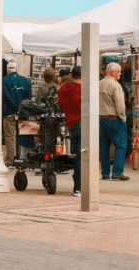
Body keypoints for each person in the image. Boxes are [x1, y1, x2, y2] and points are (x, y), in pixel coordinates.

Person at [99, 62, 129, 181]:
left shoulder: (99, 84)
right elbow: (120, 105)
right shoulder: (116, 86)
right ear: (113, 72)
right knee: (121, 145)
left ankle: (105, 172)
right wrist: (123, 117)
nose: (120, 74)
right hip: (114, 118)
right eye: (118, 72)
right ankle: (117, 171)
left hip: (101, 118)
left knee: (104, 146)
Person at [57, 66, 82, 196]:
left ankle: (78, 186)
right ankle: (79, 186)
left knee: (78, 154)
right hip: (84, 124)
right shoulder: (84, 89)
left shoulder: (65, 87)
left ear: (72, 76)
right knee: (84, 156)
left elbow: (60, 103)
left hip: (71, 124)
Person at [2, 62, 33, 165]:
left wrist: (14, 106)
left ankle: (10, 159)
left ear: (7, 70)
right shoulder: (25, 81)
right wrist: (21, 107)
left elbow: (5, 96)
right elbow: (29, 97)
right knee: (22, 134)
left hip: (9, 113)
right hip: (22, 113)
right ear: (16, 69)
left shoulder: (4, 80)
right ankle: (22, 157)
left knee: (10, 137)